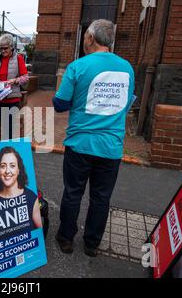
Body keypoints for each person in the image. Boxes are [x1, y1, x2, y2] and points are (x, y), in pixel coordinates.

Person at [53, 19, 135, 257]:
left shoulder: (78, 66)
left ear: (90, 38)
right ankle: (92, 244)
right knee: (101, 197)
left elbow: (60, 104)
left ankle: (66, 239)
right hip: (111, 146)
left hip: (80, 143)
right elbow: (126, 104)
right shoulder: (127, 68)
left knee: (73, 192)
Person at [0, 147, 42, 247]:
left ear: (18, 170)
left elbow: (40, 233)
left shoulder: (31, 197)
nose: (7, 171)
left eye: (12, 166)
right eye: (3, 166)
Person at [0, 34, 29, 140]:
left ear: (11, 47)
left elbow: (25, 77)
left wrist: (14, 81)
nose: (3, 51)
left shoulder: (18, 58)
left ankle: (6, 153)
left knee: (7, 131)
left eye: (5, 48)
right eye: (1, 48)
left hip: (11, 100)